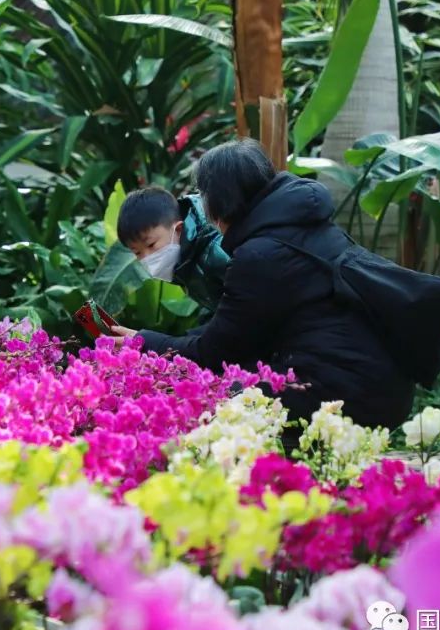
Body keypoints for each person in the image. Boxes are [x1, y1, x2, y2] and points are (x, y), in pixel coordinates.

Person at [110, 138, 416, 437]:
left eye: (204, 194)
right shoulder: (295, 228)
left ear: (221, 197)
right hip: (377, 384)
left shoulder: (260, 255)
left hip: (344, 392)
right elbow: (233, 329)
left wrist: (146, 342)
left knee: (204, 399)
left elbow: (217, 351)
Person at [117, 186, 232, 314]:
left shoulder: (217, 249)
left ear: (178, 229)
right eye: (137, 253)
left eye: (151, 245)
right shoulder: (182, 264)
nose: (146, 258)